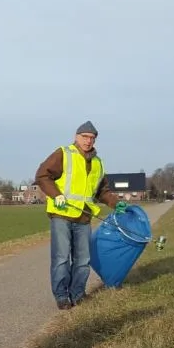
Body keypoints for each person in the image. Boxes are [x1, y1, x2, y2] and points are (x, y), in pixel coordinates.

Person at [34, 121, 125, 309]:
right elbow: (42, 175)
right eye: (85, 137)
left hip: (84, 217)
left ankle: (78, 294)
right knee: (61, 258)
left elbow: (102, 191)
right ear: (76, 137)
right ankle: (61, 296)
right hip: (61, 214)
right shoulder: (64, 153)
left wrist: (116, 204)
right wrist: (56, 195)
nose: (88, 141)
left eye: (92, 138)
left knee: (83, 260)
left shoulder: (98, 163)